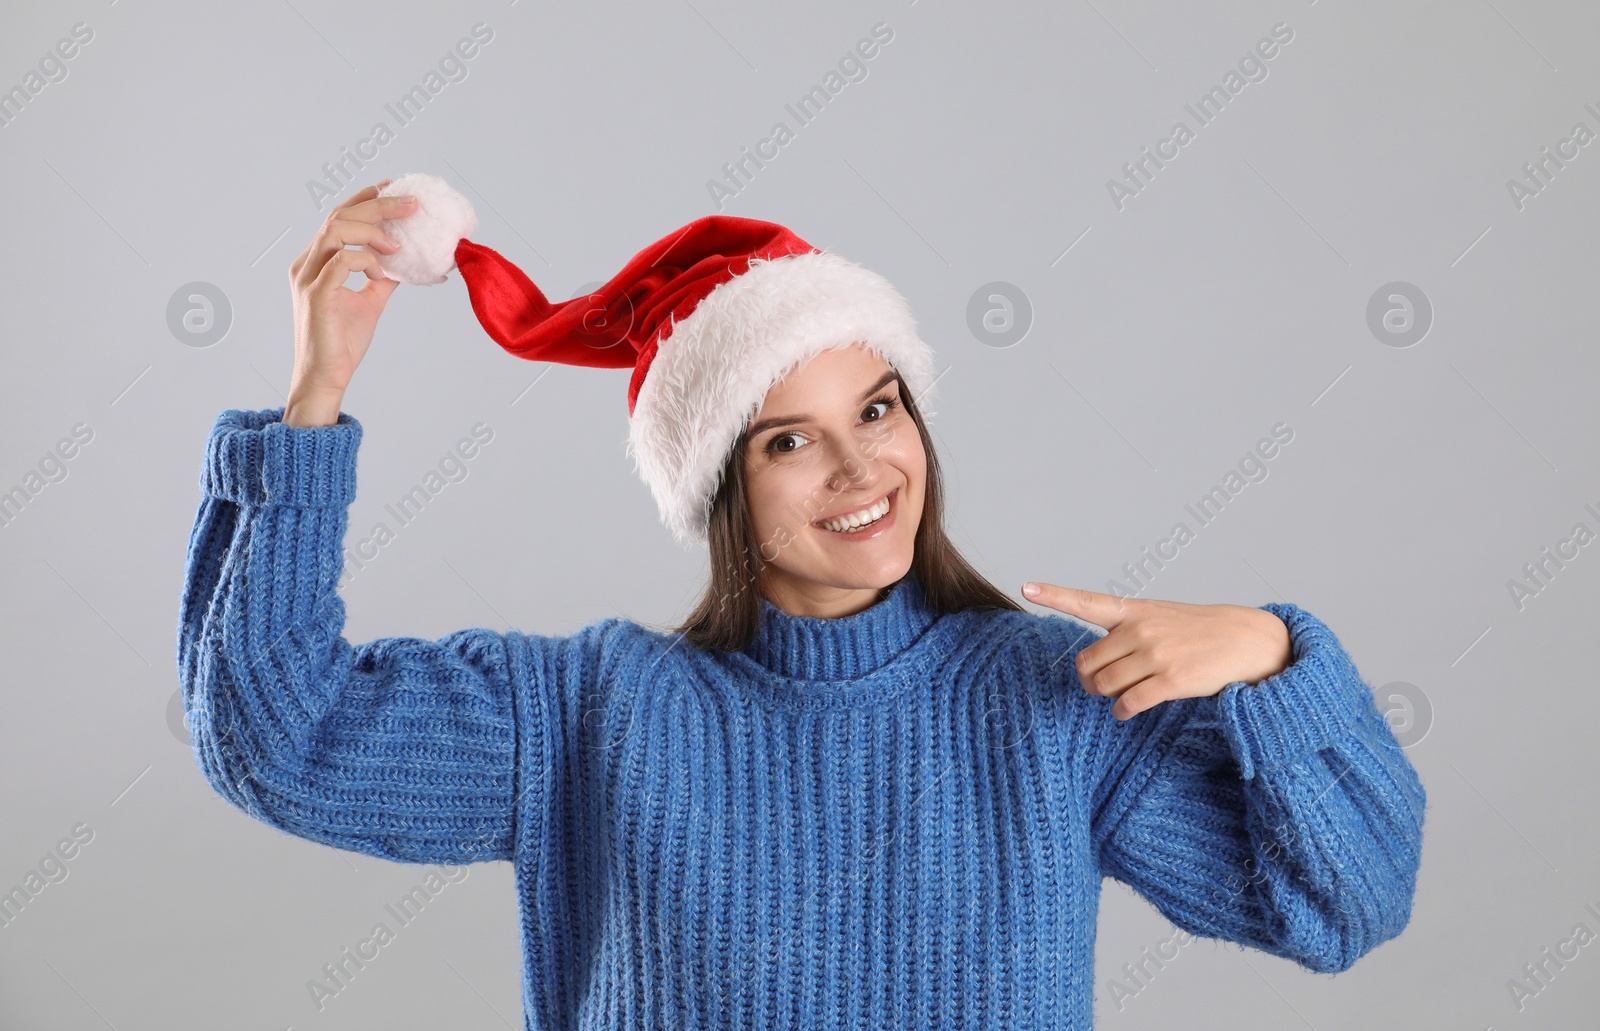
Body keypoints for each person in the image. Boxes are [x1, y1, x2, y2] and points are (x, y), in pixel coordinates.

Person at [176, 178, 1428, 1028]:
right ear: (719, 486)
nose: (860, 469)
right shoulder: (587, 711)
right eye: (788, 440)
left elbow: (1345, 906)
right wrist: (315, 397)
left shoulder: (1055, 699)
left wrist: (1277, 660)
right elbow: (279, 734)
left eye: (877, 410)